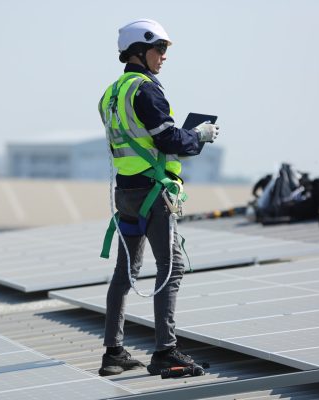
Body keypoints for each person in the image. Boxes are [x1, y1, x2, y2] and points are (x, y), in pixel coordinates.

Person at [97, 18, 220, 376]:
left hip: (126, 193)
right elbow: (167, 140)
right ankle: (166, 351)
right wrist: (200, 135)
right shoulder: (146, 90)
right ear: (140, 50)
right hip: (152, 192)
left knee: (125, 272)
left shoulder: (110, 93)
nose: (164, 57)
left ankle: (113, 353)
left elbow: (138, 138)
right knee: (172, 268)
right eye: (160, 49)